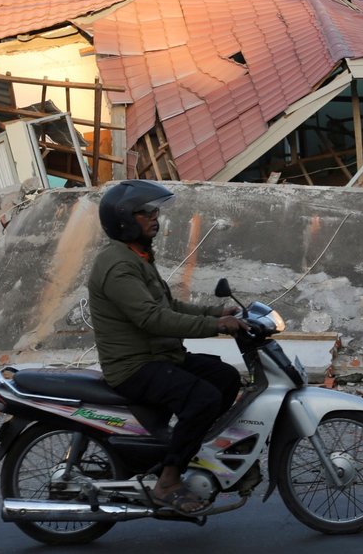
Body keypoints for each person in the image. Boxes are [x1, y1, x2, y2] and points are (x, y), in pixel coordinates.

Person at [88, 179, 249, 514]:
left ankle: (177, 447)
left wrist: (216, 312)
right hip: (134, 366)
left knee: (225, 377)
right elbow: (153, 319)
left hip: (160, 356)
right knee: (202, 398)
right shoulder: (118, 265)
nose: (154, 217)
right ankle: (168, 481)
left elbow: (169, 306)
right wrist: (213, 326)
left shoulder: (137, 256)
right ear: (124, 219)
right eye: (144, 212)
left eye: (154, 210)